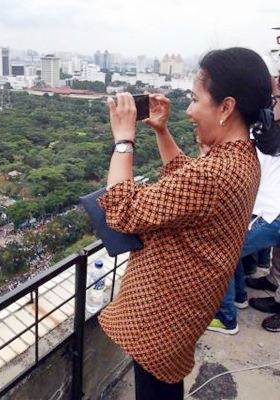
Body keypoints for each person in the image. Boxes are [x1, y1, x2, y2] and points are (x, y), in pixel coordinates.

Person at [97, 48, 274, 400]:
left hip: (163, 314)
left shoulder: (219, 171)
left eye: (195, 100)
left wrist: (123, 140)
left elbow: (121, 209)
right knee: (162, 382)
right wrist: (162, 132)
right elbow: (187, 180)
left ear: (225, 107)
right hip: (180, 312)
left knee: (156, 387)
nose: (190, 111)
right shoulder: (240, 157)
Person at [209, 74, 280, 334]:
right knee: (233, 248)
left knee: (223, 252)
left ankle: (227, 318)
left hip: (272, 213)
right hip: (268, 209)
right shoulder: (258, 130)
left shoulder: (266, 133)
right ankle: (239, 297)